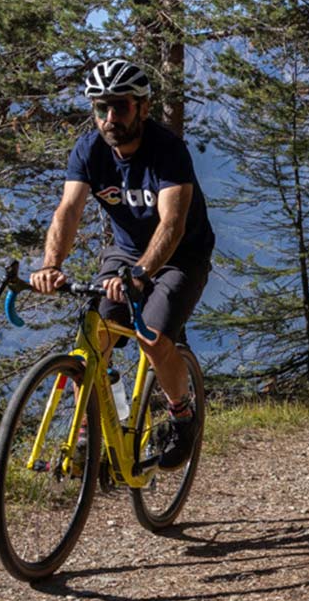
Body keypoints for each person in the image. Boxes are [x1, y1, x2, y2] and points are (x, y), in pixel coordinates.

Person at [28, 59, 215, 471]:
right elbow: (68, 210)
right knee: (93, 337)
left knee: (151, 336)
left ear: (143, 108)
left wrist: (142, 275)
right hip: (126, 251)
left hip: (182, 254)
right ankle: (89, 432)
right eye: (101, 108)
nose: (110, 118)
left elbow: (173, 224)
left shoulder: (168, 151)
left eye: (121, 107)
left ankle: (182, 414)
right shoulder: (89, 150)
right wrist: (50, 264)